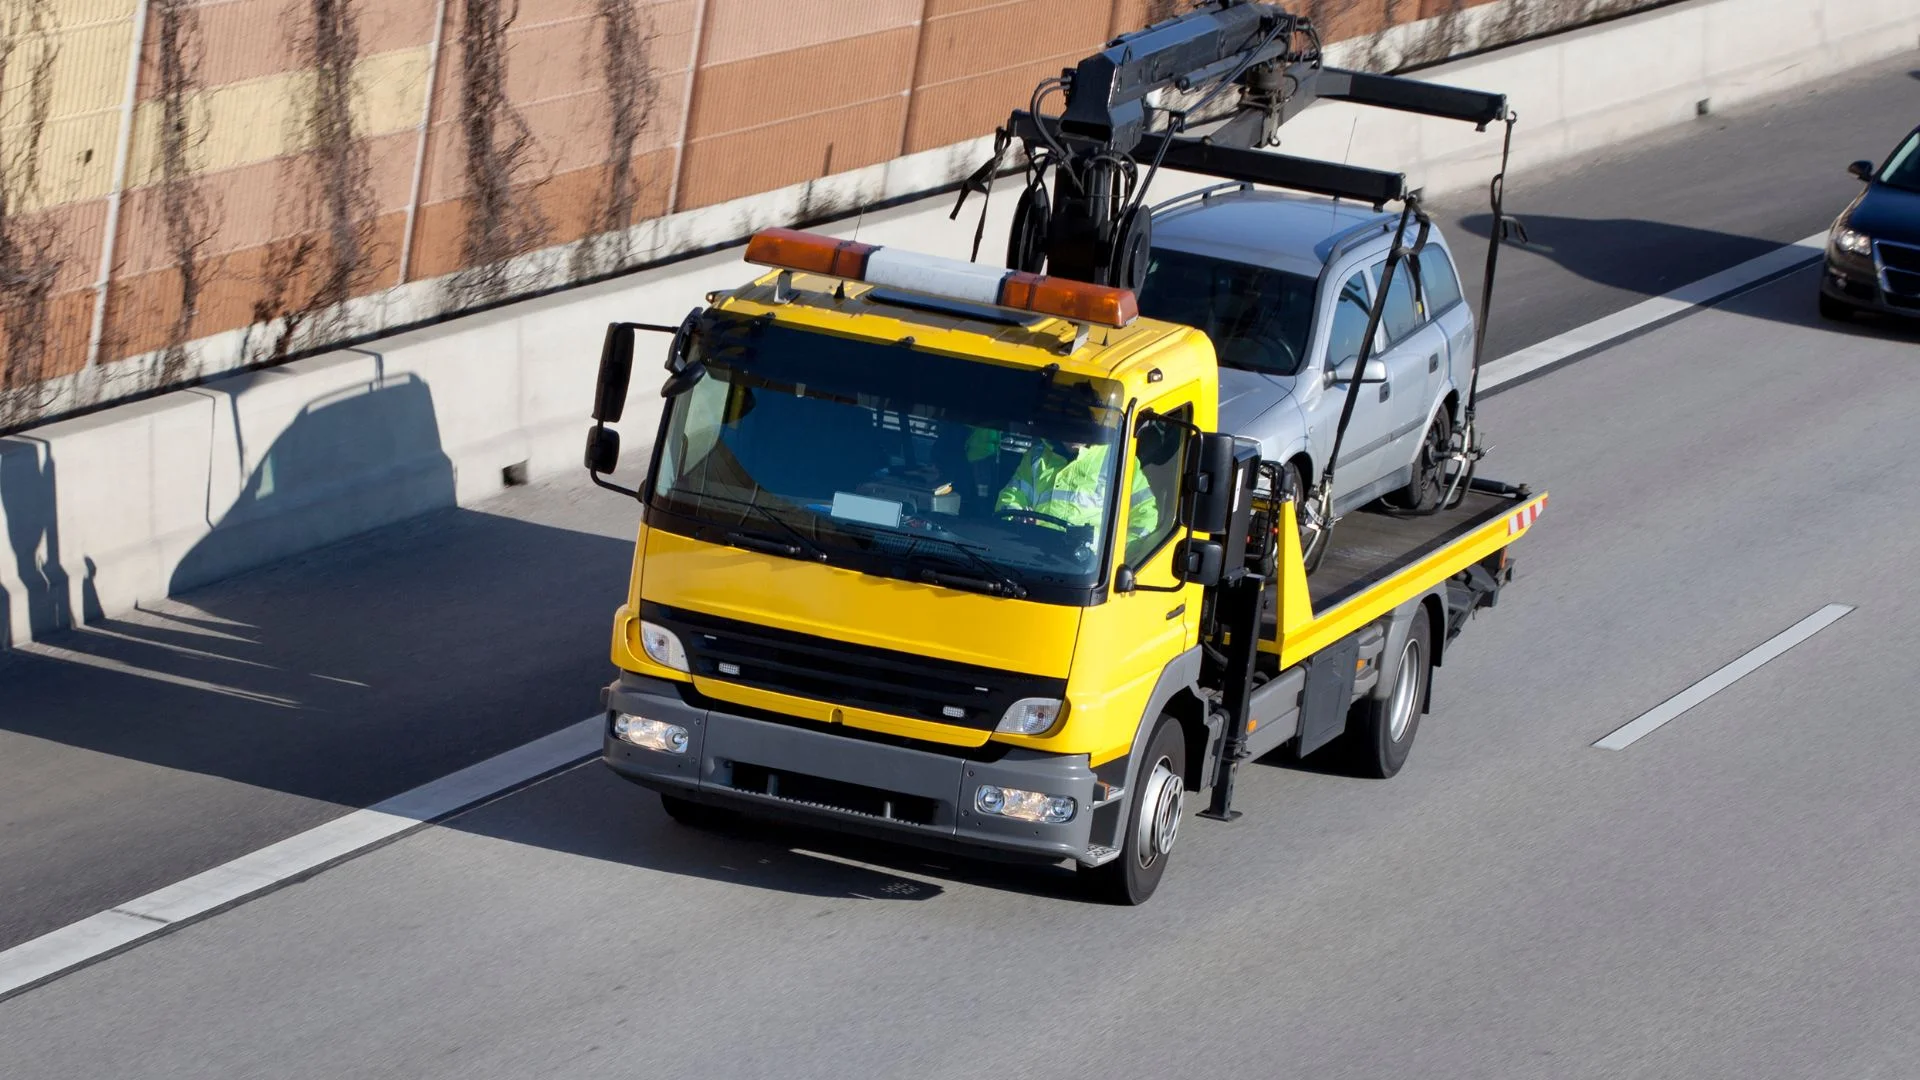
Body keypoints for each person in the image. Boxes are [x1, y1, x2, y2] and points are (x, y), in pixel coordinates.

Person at [995, 434, 1158, 548]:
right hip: (1032, 552)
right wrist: (1016, 521)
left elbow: (1144, 516)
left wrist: (1119, 557)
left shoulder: (1119, 459)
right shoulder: (1036, 456)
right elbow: (1010, 498)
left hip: (1089, 570)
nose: (1075, 433)